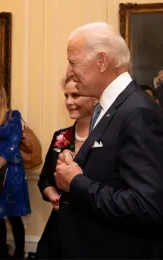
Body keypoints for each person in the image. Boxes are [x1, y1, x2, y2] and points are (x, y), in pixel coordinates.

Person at [54, 22, 163, 258]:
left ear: (102, 61)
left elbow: (147, 206)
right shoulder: (110, 107)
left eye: (73, 62)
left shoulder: (137, 111)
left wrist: (76, 181)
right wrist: (81, 164)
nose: (69, 72)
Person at [36, 77, 96, 259]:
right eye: (66, 96)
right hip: (59, 227)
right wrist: (53, 196)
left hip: (93, 227)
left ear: (95, 98)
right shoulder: (61, 136)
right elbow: (45, 178)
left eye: (75, 95)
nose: (69, 102)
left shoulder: (107, 138)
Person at [0, 84, 31, 259]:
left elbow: (14, 141)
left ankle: (19, 254)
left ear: (0, 96)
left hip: (11, 172)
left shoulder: (13, 115)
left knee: (14, 215)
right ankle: (2, 252)